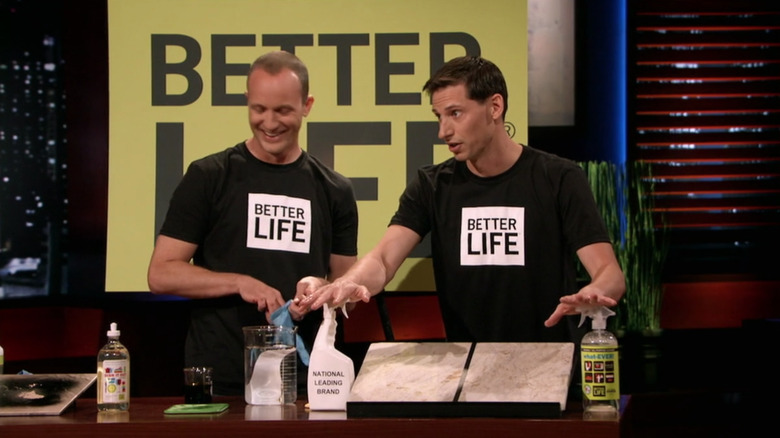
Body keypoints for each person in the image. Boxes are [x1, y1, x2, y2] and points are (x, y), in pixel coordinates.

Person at [302, 55, 624, 344]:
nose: (444, 131)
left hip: (551, 367)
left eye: (455, 113)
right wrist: (349, 282)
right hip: (467, 371)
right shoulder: (432, 185)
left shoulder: (559, 178)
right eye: (439, 116)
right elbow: (384, 259)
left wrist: (595, 292)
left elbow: (609, 272)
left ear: (494, 107)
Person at [147, 51, 358, 396]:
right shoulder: (209, 177)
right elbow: (161, 273)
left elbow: (345, 286)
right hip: (222, 378)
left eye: (283, 110)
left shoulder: (335, 189)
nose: (270, 123)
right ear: (247, 101)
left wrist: (317, 290)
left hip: (307, 379)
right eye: (259, 109)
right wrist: (240, 282)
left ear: (307, 105)